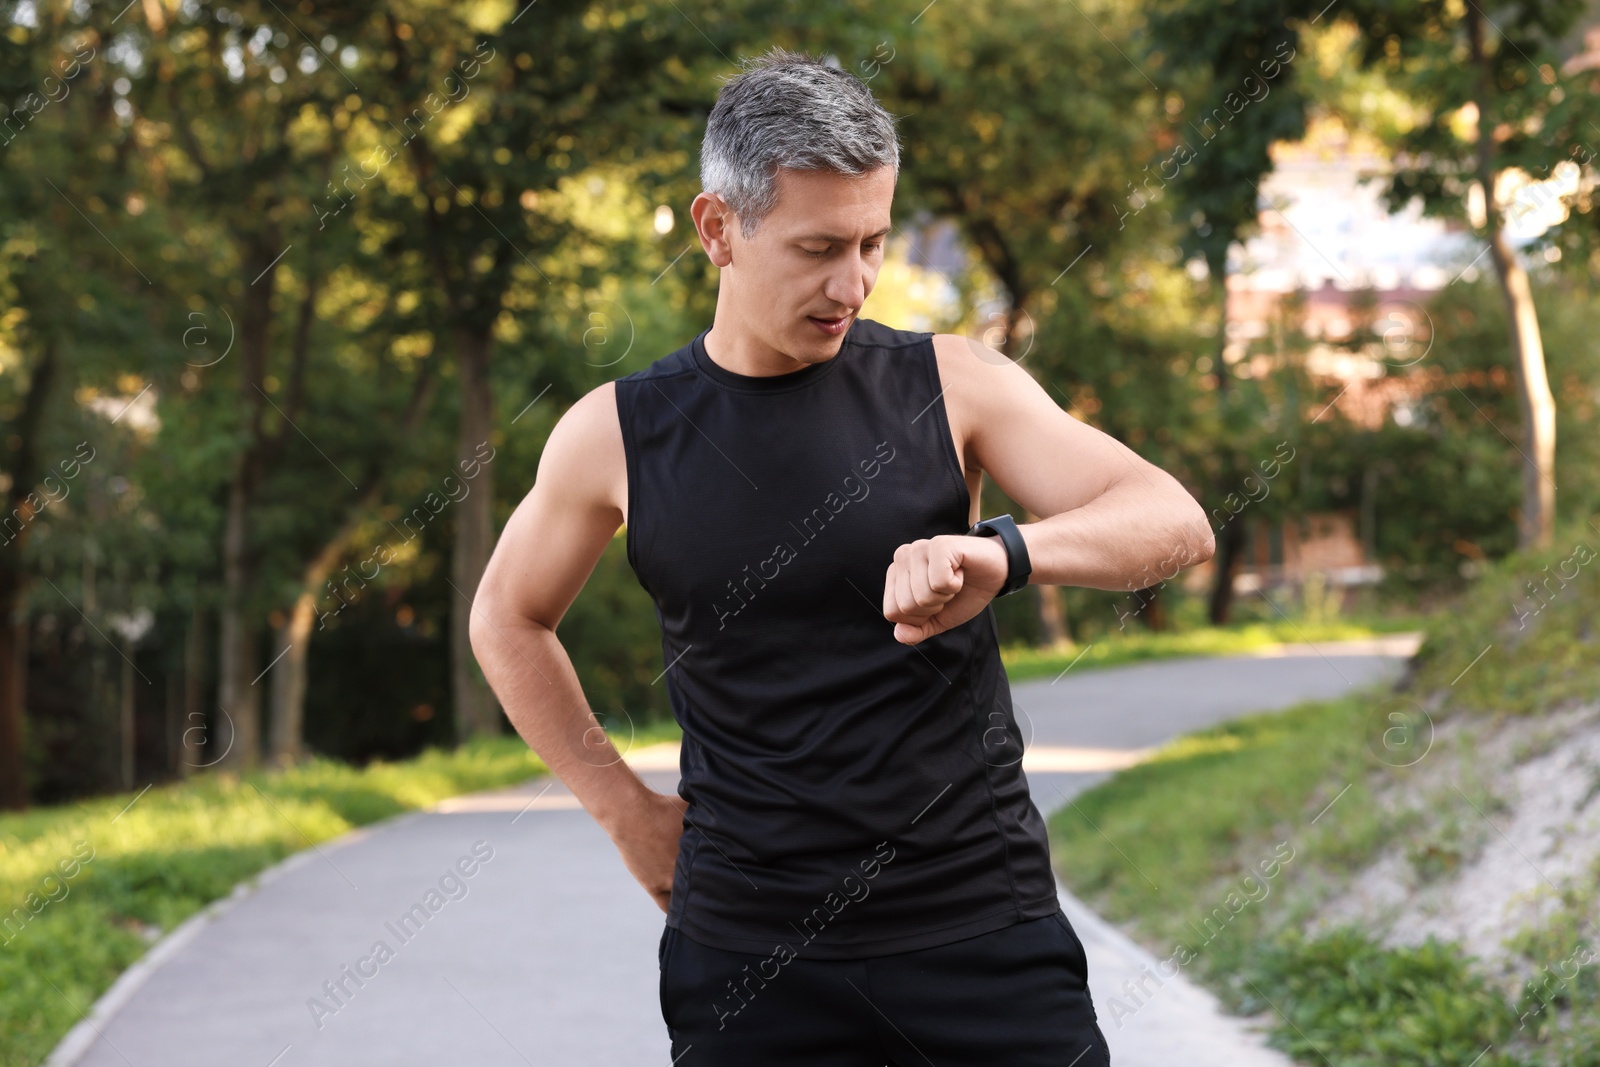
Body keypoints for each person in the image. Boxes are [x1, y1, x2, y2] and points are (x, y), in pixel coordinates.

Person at [470, 46, 1214, 1066]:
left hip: (979, 930)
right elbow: (507, 616)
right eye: (819, 248)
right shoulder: (615, 434)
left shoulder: (954, 383)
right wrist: (626, 811)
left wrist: (1005, 552)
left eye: (872, 242)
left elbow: (1171, 519)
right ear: (717, 229)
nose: (852, 282)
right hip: (749, 958)